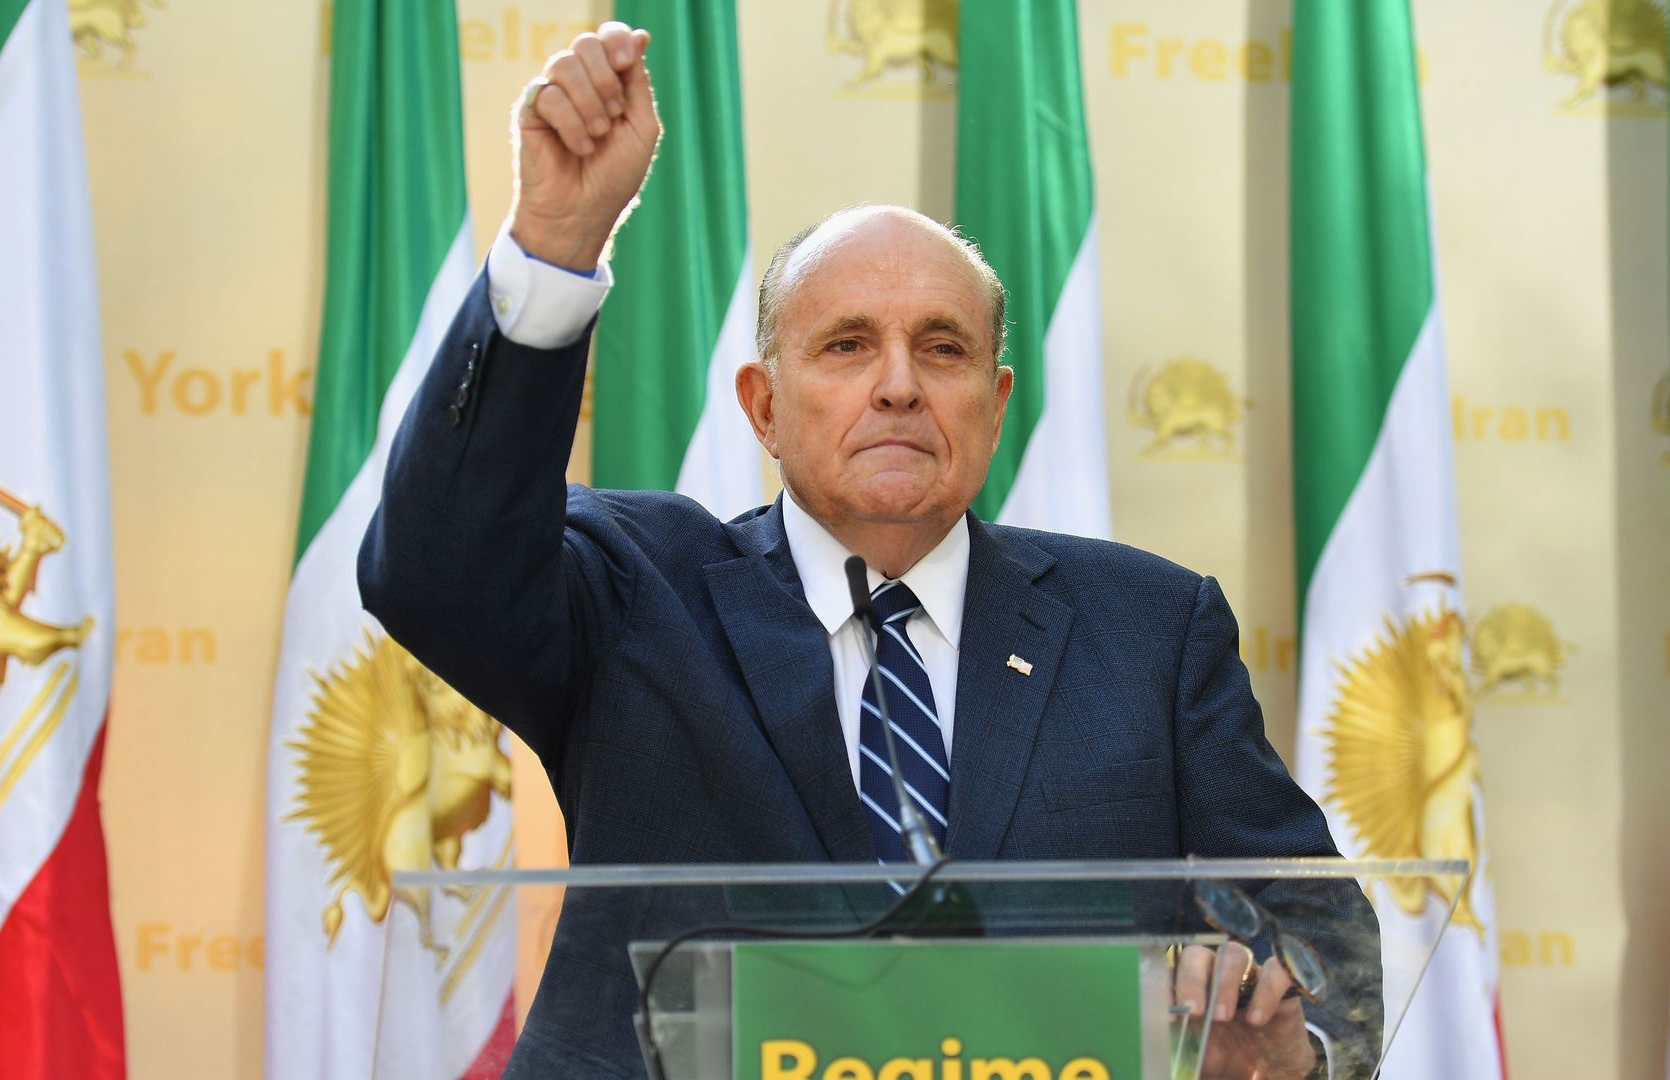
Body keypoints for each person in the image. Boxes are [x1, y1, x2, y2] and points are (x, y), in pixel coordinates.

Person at [359, 22, 1377, 1080]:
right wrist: (556, 244)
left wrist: (1288, 1048)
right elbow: (432, 570)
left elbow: (1312, 928)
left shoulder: (1151, 631)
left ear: (995, 403)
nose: (898, 383)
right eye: (847, 346)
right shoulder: (634, 591)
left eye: (942, 349)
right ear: (761, 404)